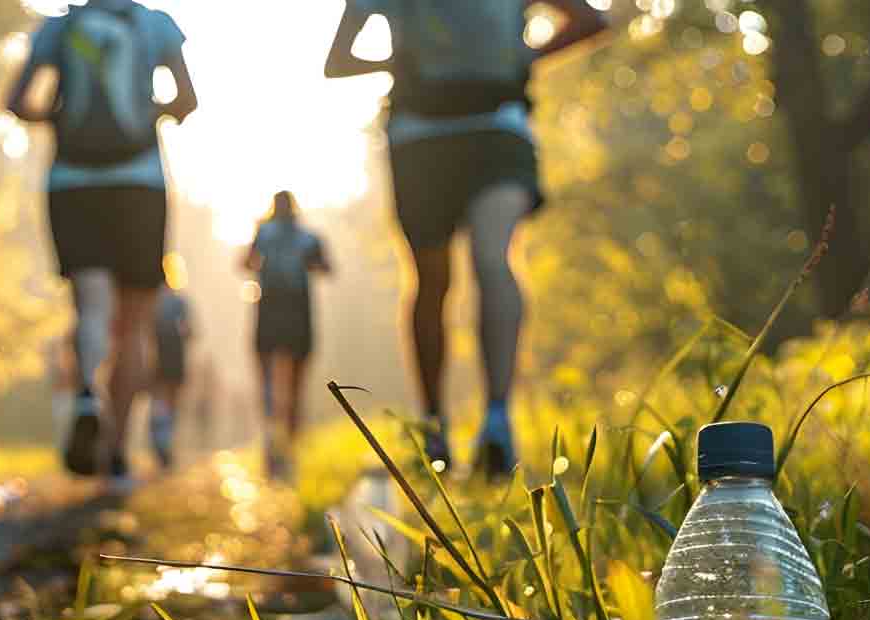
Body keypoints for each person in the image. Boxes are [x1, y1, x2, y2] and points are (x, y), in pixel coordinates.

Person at [326, 0, 606, 476]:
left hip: (489, 131)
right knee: (442, 278)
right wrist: (516, 56)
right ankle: (439, 420)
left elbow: (590, 20)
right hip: (428, 135)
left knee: (486, 261)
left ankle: (494, 421)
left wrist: (521, 57)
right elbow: (337, 62)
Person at [4, 0, 198, 491]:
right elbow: (187, 100)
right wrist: (149, 113)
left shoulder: (58, 28)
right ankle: (115, 455)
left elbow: (17, 101)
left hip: (71, 183)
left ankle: (88, 390)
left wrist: (60, 119)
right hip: (139, 184)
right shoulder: (156, 25)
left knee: (91, 306)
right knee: (133, 325)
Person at [243, 191, 331, 482]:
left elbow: (245, 262)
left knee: (269, 378)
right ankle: (287, 446)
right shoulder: (308, 237)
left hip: (270, 308)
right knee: (295, 381)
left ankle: (274, 442)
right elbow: (326, 267)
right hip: (296, 309)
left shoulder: (262, 233)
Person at [149, 254, 195, 469]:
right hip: (173, 352)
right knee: (172, 398)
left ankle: (160, 439)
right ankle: (165, 441)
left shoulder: (151, 299)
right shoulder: (179, 301)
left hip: (157, 350)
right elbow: (191, 331)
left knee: (158, 396)